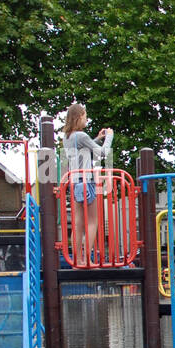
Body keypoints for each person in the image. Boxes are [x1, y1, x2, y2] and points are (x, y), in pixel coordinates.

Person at [62, 103, 112, 265]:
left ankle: (76, 260)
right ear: (78, 117)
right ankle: (87, 259)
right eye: (85, 116)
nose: (86, 120)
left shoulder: (68, 137)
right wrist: (109, 136)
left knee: (77, 223)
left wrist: (97, 138)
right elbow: (103, 153)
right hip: (87, 181)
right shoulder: (81, 135)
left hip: (75, 182)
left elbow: (85, 149)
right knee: (92, 221)